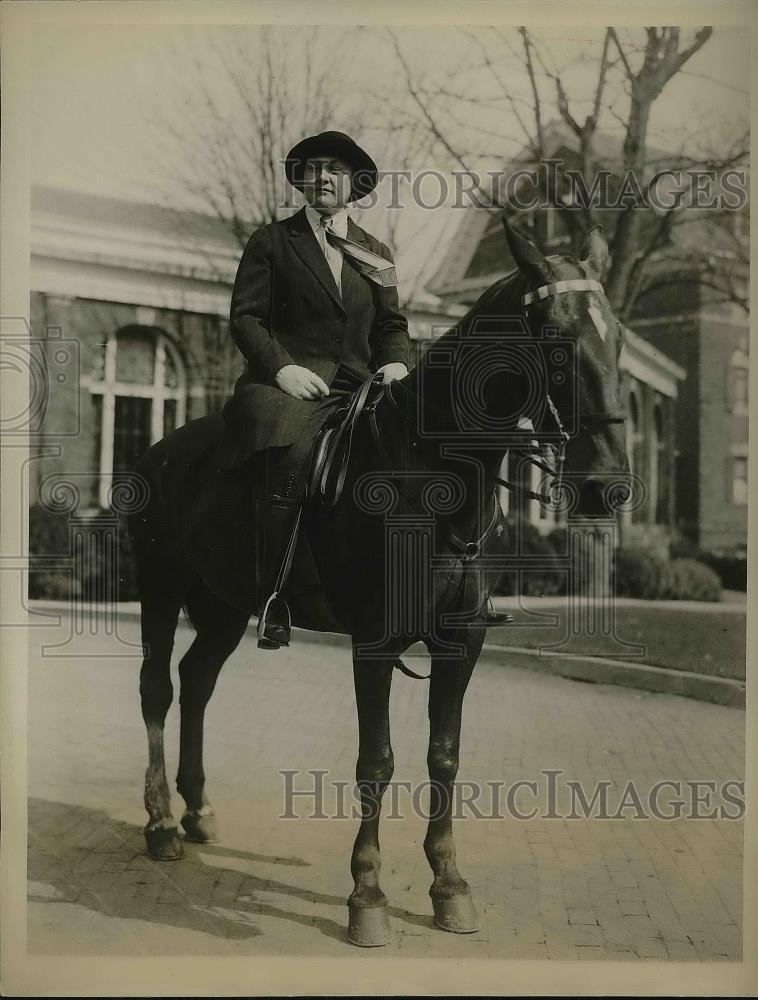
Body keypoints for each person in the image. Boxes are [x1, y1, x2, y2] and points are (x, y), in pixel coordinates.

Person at [222, 131, 410, 650]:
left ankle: (409, 585)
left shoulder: (375, 252)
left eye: (336, 169)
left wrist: (395, 366)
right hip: (286, 384)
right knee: (289, 450)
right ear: (302, 180)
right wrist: (282, 370)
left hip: (357, 388)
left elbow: (391, 326)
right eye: (314, 168)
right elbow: (246, 319)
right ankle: (274, 593)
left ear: (353, 184)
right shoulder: (272, 242)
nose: (324, 177)